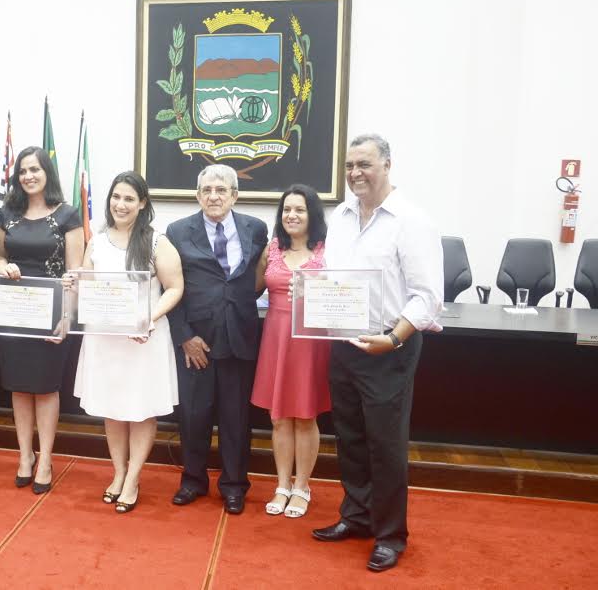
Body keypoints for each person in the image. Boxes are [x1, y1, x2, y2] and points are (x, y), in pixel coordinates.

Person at [311, 134, 443, 573]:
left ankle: (390, 535)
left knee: (385, 446)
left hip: (391, 346)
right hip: (345, 344)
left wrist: (395, 338)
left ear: (387, 165)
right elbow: (333, 279)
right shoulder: (341, 217)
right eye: (349, 165)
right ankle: (357, 517)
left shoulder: (411, 220)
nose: (355, 174)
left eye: (364, 164)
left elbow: (427, 297)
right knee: (350, 438)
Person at [73, 171, 184, 513]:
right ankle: (118, 473)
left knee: (140, 409)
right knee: (112, 408)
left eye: (129, 199)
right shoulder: (98, 240)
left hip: (142, 340)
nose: (120, 204)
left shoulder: (156, 242)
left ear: (142, 204)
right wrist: (72, 283)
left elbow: (176, 288)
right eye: (116, 197)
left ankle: (133, 477)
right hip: (104, 341)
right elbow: (86, 288)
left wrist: (148, 318)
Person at [166, 164, 268, 515]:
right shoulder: (177, 232)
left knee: (236, 418)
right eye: (207, 190)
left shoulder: (256, 229)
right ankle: (193, 480)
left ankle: (234, 485)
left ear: (234, 195)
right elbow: (171, 289)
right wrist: (184, 337)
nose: (214, 196)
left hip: (239, 336)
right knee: (194, 416)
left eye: (221, 190)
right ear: (197, 195)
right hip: (198, 341)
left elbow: (254, 279)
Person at [0, 146, 84, 493]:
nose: (28, 176)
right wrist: (5, 267)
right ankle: (24, 455)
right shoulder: (8, 213)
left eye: (35, 169)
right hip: (14, 312)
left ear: (47, 173)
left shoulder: (67, 215)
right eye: (23, 171)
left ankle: (46, 457)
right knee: (19, 386)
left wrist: (67, 318)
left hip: (51, 314)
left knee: (46, 388)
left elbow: (75, 271)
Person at [250, 184, 331, 518]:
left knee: (305, 415)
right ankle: (282, 484)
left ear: (312, 214)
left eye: (299, 209)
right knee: (280, 417)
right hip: (276, 336)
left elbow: (345, 289)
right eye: (286, 210)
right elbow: (251, 289)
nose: (292, 216)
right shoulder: (271, 249)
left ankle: (302, 486)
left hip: (312, 339)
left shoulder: (328, 250)